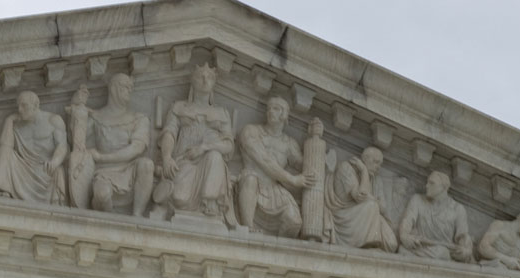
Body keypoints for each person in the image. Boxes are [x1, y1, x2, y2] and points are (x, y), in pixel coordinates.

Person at [152, 64, 235, 222]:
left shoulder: (222, 113)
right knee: (179, 198)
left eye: (209, 77)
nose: (205, 80)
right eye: (200, 76)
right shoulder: (179, 107)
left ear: (214, 83)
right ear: (192, 81)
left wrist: (204, 147)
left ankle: (210, 204)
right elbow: (169, 133)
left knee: (215, 156)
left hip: (211, 164)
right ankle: (168, 193)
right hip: (184, 160)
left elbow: (229, 146)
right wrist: (167, 158)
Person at [67, 75, 155, 215]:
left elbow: (137, 148)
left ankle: (137, 217)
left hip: (130, 169)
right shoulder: (96, 117)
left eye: (131, 88)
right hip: (103, 172)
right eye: (125, 86)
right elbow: (77, 144)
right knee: (102, 194)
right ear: (113, 89)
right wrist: (77, 108)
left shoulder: (139, 118)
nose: (129, 90)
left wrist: (102, 157)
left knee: (147, 164)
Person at [235, 95, 312, 236]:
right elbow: (264, 160)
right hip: (252, 184)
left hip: (274, 189)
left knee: (294, 221)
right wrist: (292, 179)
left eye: (276, 108)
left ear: (285, 114)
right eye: (269, 108)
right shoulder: (251, 131)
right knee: (250, 178)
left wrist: (315, 141)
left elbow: (306, 167)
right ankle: (247, 227)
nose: (271, 111)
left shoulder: (289, 144)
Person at [0, 90, 68, 204]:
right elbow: (4, 146)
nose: (19, 110)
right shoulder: (17, 126)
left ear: (36, 105)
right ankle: (2, 189)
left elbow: (62, 146)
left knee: (58, 171)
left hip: (45, 169)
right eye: (18, 106)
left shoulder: (53, 120)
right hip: (23, 168)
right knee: (4, 150)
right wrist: (9, 120)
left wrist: (55, 161)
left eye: (24, 105)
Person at [326, 145, 398, 251]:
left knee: (391, 244)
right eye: (376, 162)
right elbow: (360, 196)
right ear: (364, 159)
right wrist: (364, 171)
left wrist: (371, 199)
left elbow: (383, 208)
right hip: (344, 216)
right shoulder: (346, 167)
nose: (378, 167)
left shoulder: (377, 180)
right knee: (372, 206)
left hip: (366, 215)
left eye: (380, 164)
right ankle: (370, 245)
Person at [398, 170, 473, 261]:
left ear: (444, 187)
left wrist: (465, 249)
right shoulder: (417, 200)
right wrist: (404, 235)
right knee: (402, 250)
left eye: (432, 183)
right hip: (419, 246)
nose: (426, 186)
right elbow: (407, 221)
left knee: (441, 253)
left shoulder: (457, 209)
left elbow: (463, 236)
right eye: (427, 182)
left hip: (442, 250)